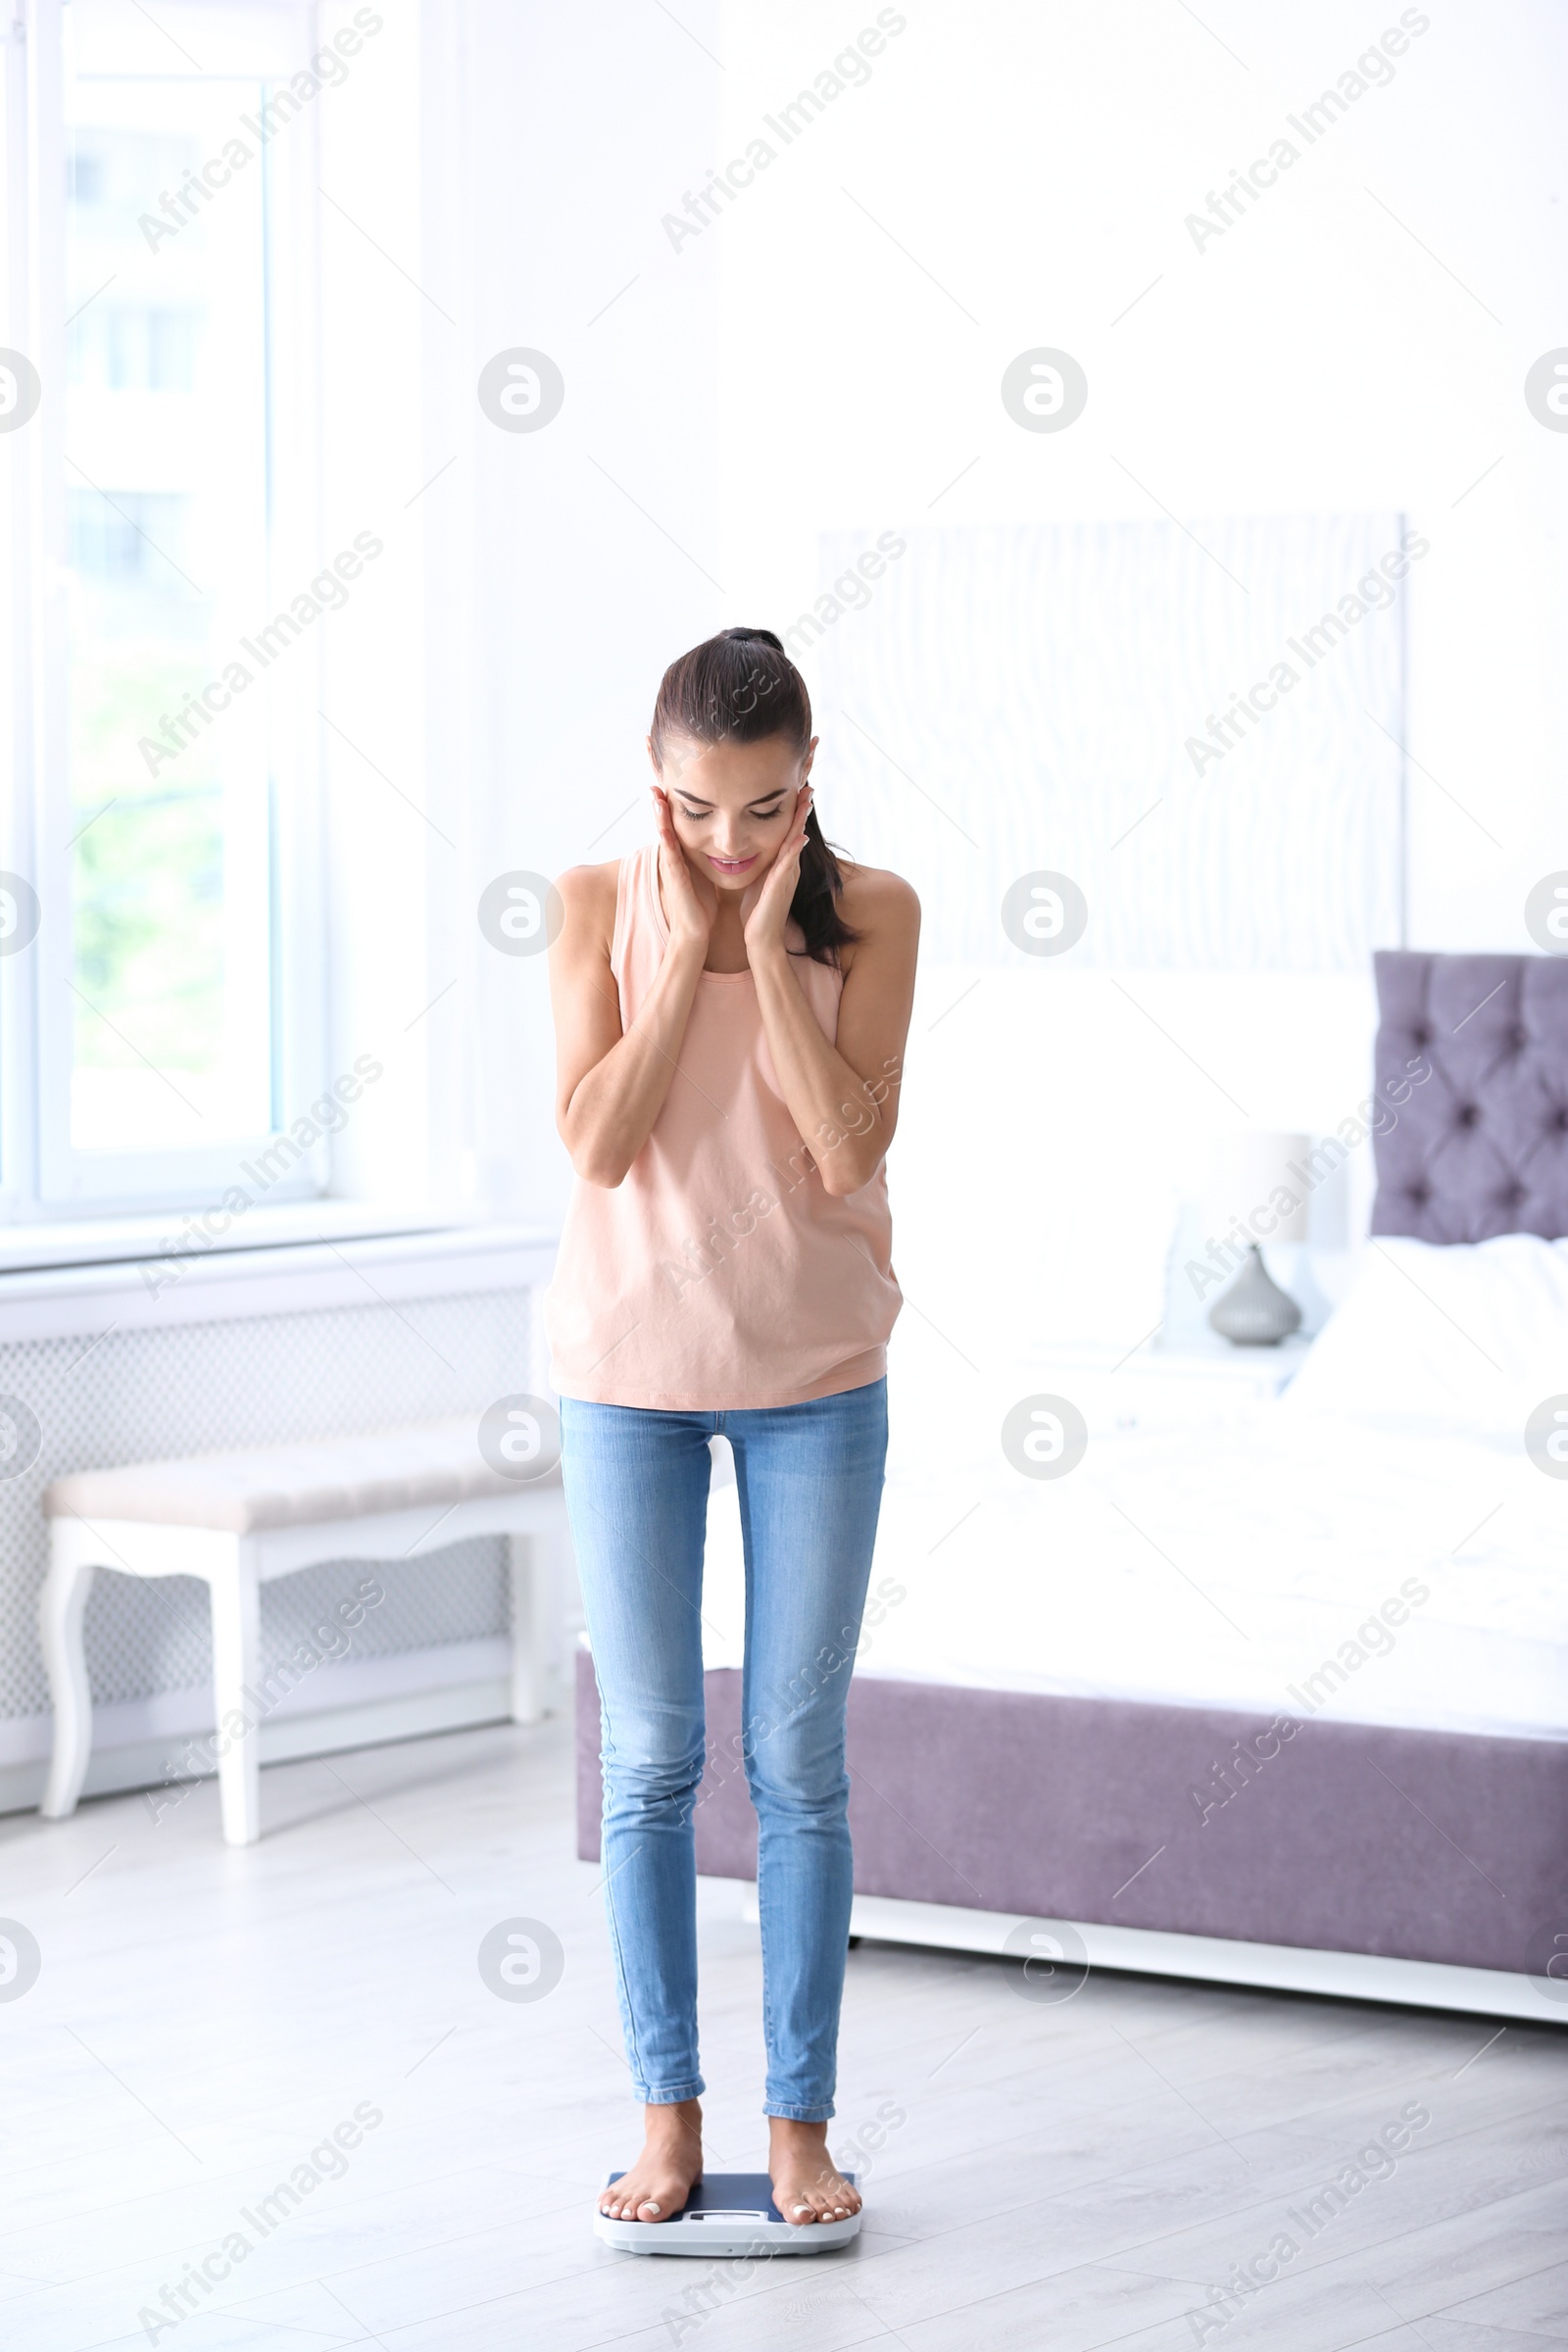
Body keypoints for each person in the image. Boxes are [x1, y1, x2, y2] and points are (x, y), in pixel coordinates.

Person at [545, 626, 920, 2229]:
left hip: (817, 1379)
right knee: (647, 1762)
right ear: (657, 790)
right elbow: (601, 1147)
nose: (728, 841)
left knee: (797, 1767)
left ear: (808, 785)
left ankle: (798, 2128)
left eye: (763, 810)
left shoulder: (873, 912)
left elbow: (846, 1150)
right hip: (625, 1376)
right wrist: (681, 943)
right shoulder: (587, 907)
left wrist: (765, 954)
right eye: (696, 810)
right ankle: (666, 2121)